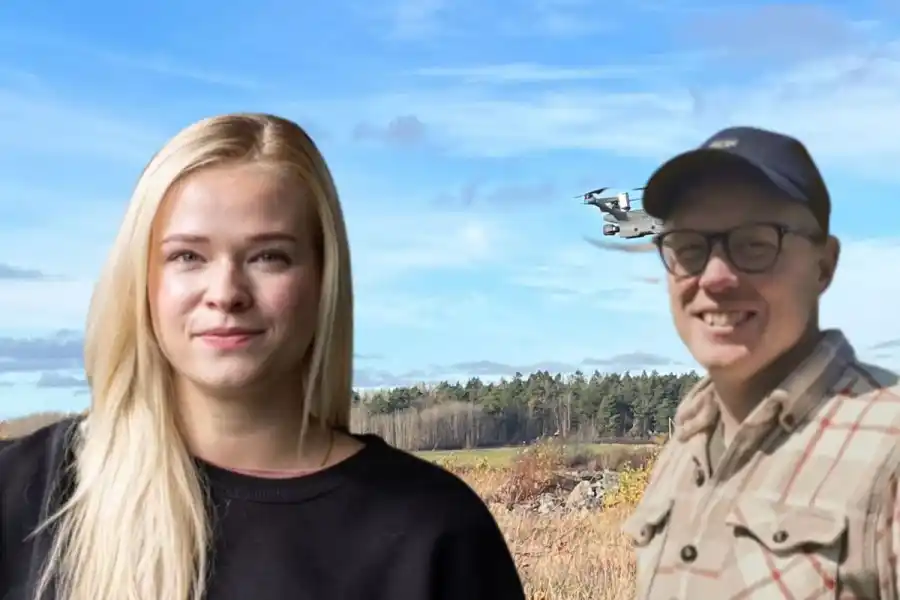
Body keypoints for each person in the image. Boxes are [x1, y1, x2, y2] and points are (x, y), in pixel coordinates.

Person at [0, 113, 526, 600]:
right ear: (143, 279)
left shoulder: (434, 532)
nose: (225, 292)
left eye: (268, 256)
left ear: (323, 280)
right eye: (188, 256)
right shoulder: (22, 494)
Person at [622, 126, 900, 599]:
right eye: (689, 247)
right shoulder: (686, 446)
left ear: (824, 265)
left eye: (754, 243)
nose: (714, 277)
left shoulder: (889, 451)